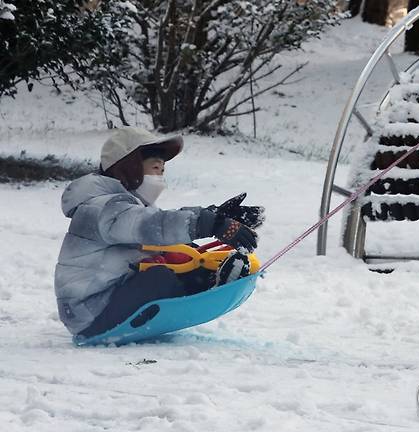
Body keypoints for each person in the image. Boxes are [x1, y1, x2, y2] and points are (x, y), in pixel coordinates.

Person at [54, 127, 265, 338]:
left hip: (114, 296)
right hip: (90, 311)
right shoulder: (100, 207)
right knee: (159, 278)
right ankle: (208, 286)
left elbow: (166, 240)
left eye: (162, 170)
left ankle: (215, 279)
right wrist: (209, 222)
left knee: (182, 259)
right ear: (129, 168)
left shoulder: (131, 204)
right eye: (155, 168)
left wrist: (216, 216)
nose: (160, 176)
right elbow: (151, 226)